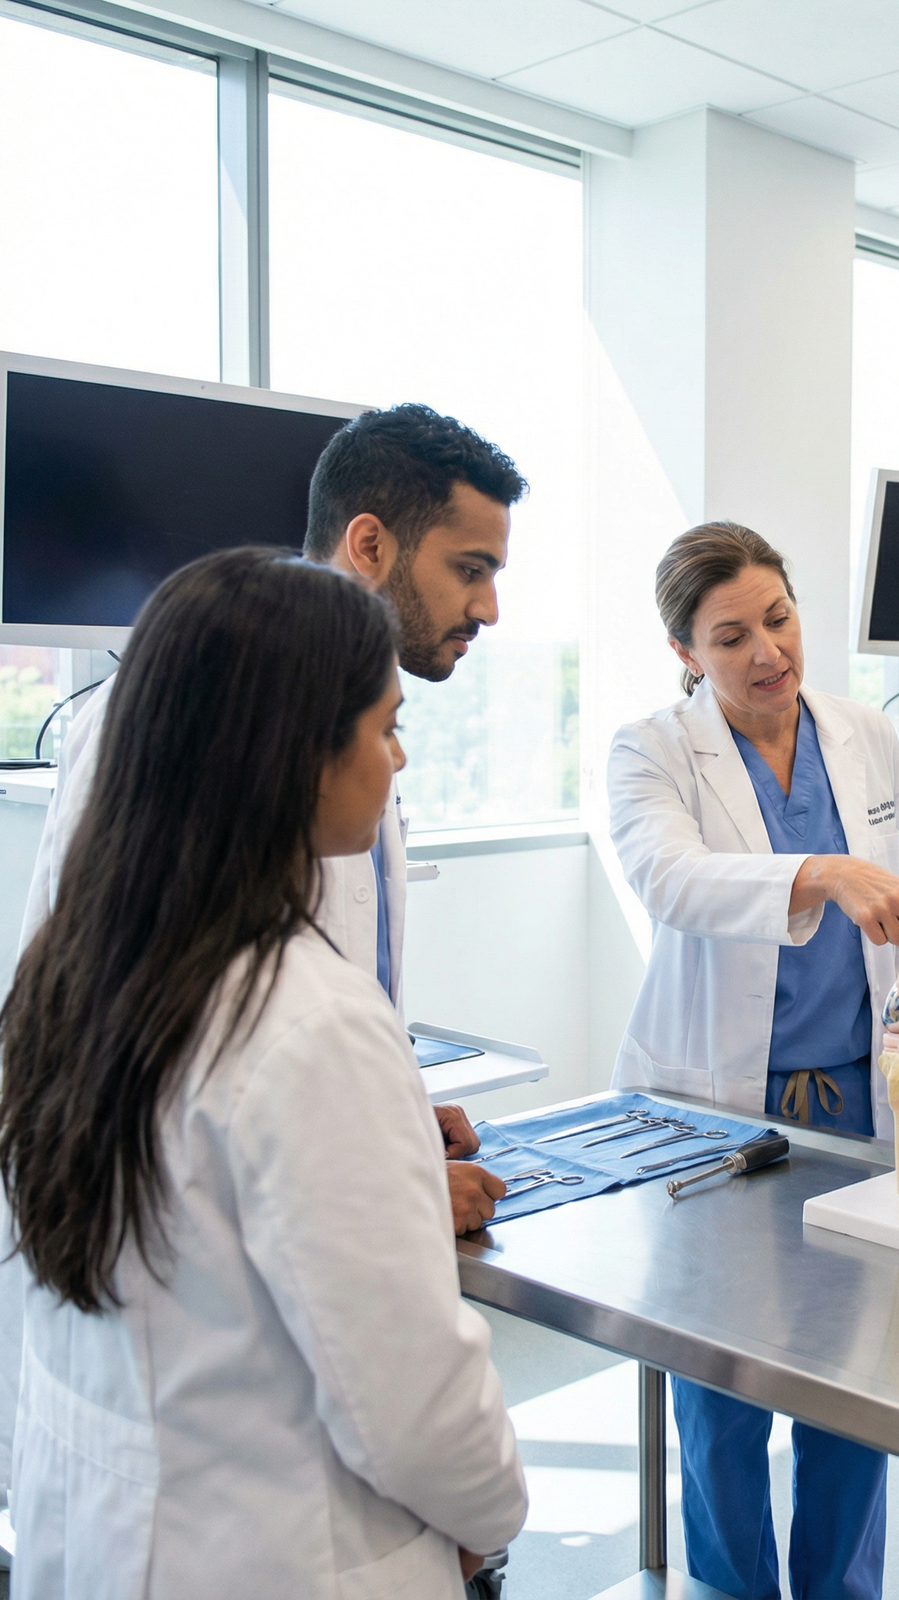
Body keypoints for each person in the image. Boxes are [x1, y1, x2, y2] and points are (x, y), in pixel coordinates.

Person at [0, 549, 527, 1595]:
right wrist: (491, 1514)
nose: (399, 763)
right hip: (277, 1551)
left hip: (106, 1529)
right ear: (292, 755)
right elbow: (409, 1397)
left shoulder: (72, 969)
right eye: (386, 729)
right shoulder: (303, 1019)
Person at [18, 402, 523, 1236]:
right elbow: (125, 1038)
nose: (490, 608)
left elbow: (341, 983)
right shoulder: (169, 709)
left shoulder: (349, 716)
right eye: (470, 568)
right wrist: (375, 1188)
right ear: (369, 546)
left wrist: (389, 1116)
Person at [608, 520, 899, 1600]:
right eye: (730, 637)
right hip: (718, 1111)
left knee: (859, 1378)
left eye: (778, 618)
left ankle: (842, 1590)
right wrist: (819, 871)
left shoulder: (864, 735)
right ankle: (730, 1589)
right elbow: (670, 880)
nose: (766, 651)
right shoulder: (651, 749)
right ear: (686, 653)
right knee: (719, 1388)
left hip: (859, 1099)